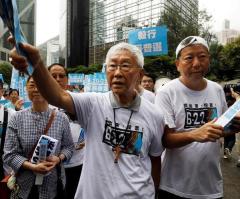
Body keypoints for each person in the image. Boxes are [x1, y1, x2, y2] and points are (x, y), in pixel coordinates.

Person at [9, 41, 165, 199]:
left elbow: (155, 159)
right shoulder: (92, 104)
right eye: (112, 66)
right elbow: (58, 96)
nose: (117, 73)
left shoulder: (155, 114)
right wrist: (36, 63)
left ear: (140, 74)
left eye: (125, 66)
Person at [155, 36, 232, 199]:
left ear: (209, 60)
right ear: (177, 64)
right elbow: (164, 140)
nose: (196, 63)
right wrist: (194, 134)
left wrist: (232, 128)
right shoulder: (167, 92)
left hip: (211, 185)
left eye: (202, 57)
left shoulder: (217, 90)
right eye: (189, 58)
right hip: (174, 186)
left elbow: (221, 129)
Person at [3, 76, 74, 199]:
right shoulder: (16, 118)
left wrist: (58, 159)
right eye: (32, 85)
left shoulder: (62, 118)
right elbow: (9, 154)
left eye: (41, 85)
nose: (36, 89)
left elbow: (69, 147)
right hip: (24, 186)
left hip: (53, 186)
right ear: (26, 89)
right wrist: (32, 167)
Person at [48, 63, 85, 199]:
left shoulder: (79, 101)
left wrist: (86, 139)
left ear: (67, 79)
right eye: (53, 76)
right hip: (51, 165)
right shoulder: (42, 101)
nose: (58, 79)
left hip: (78, 163)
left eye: (61, 76)